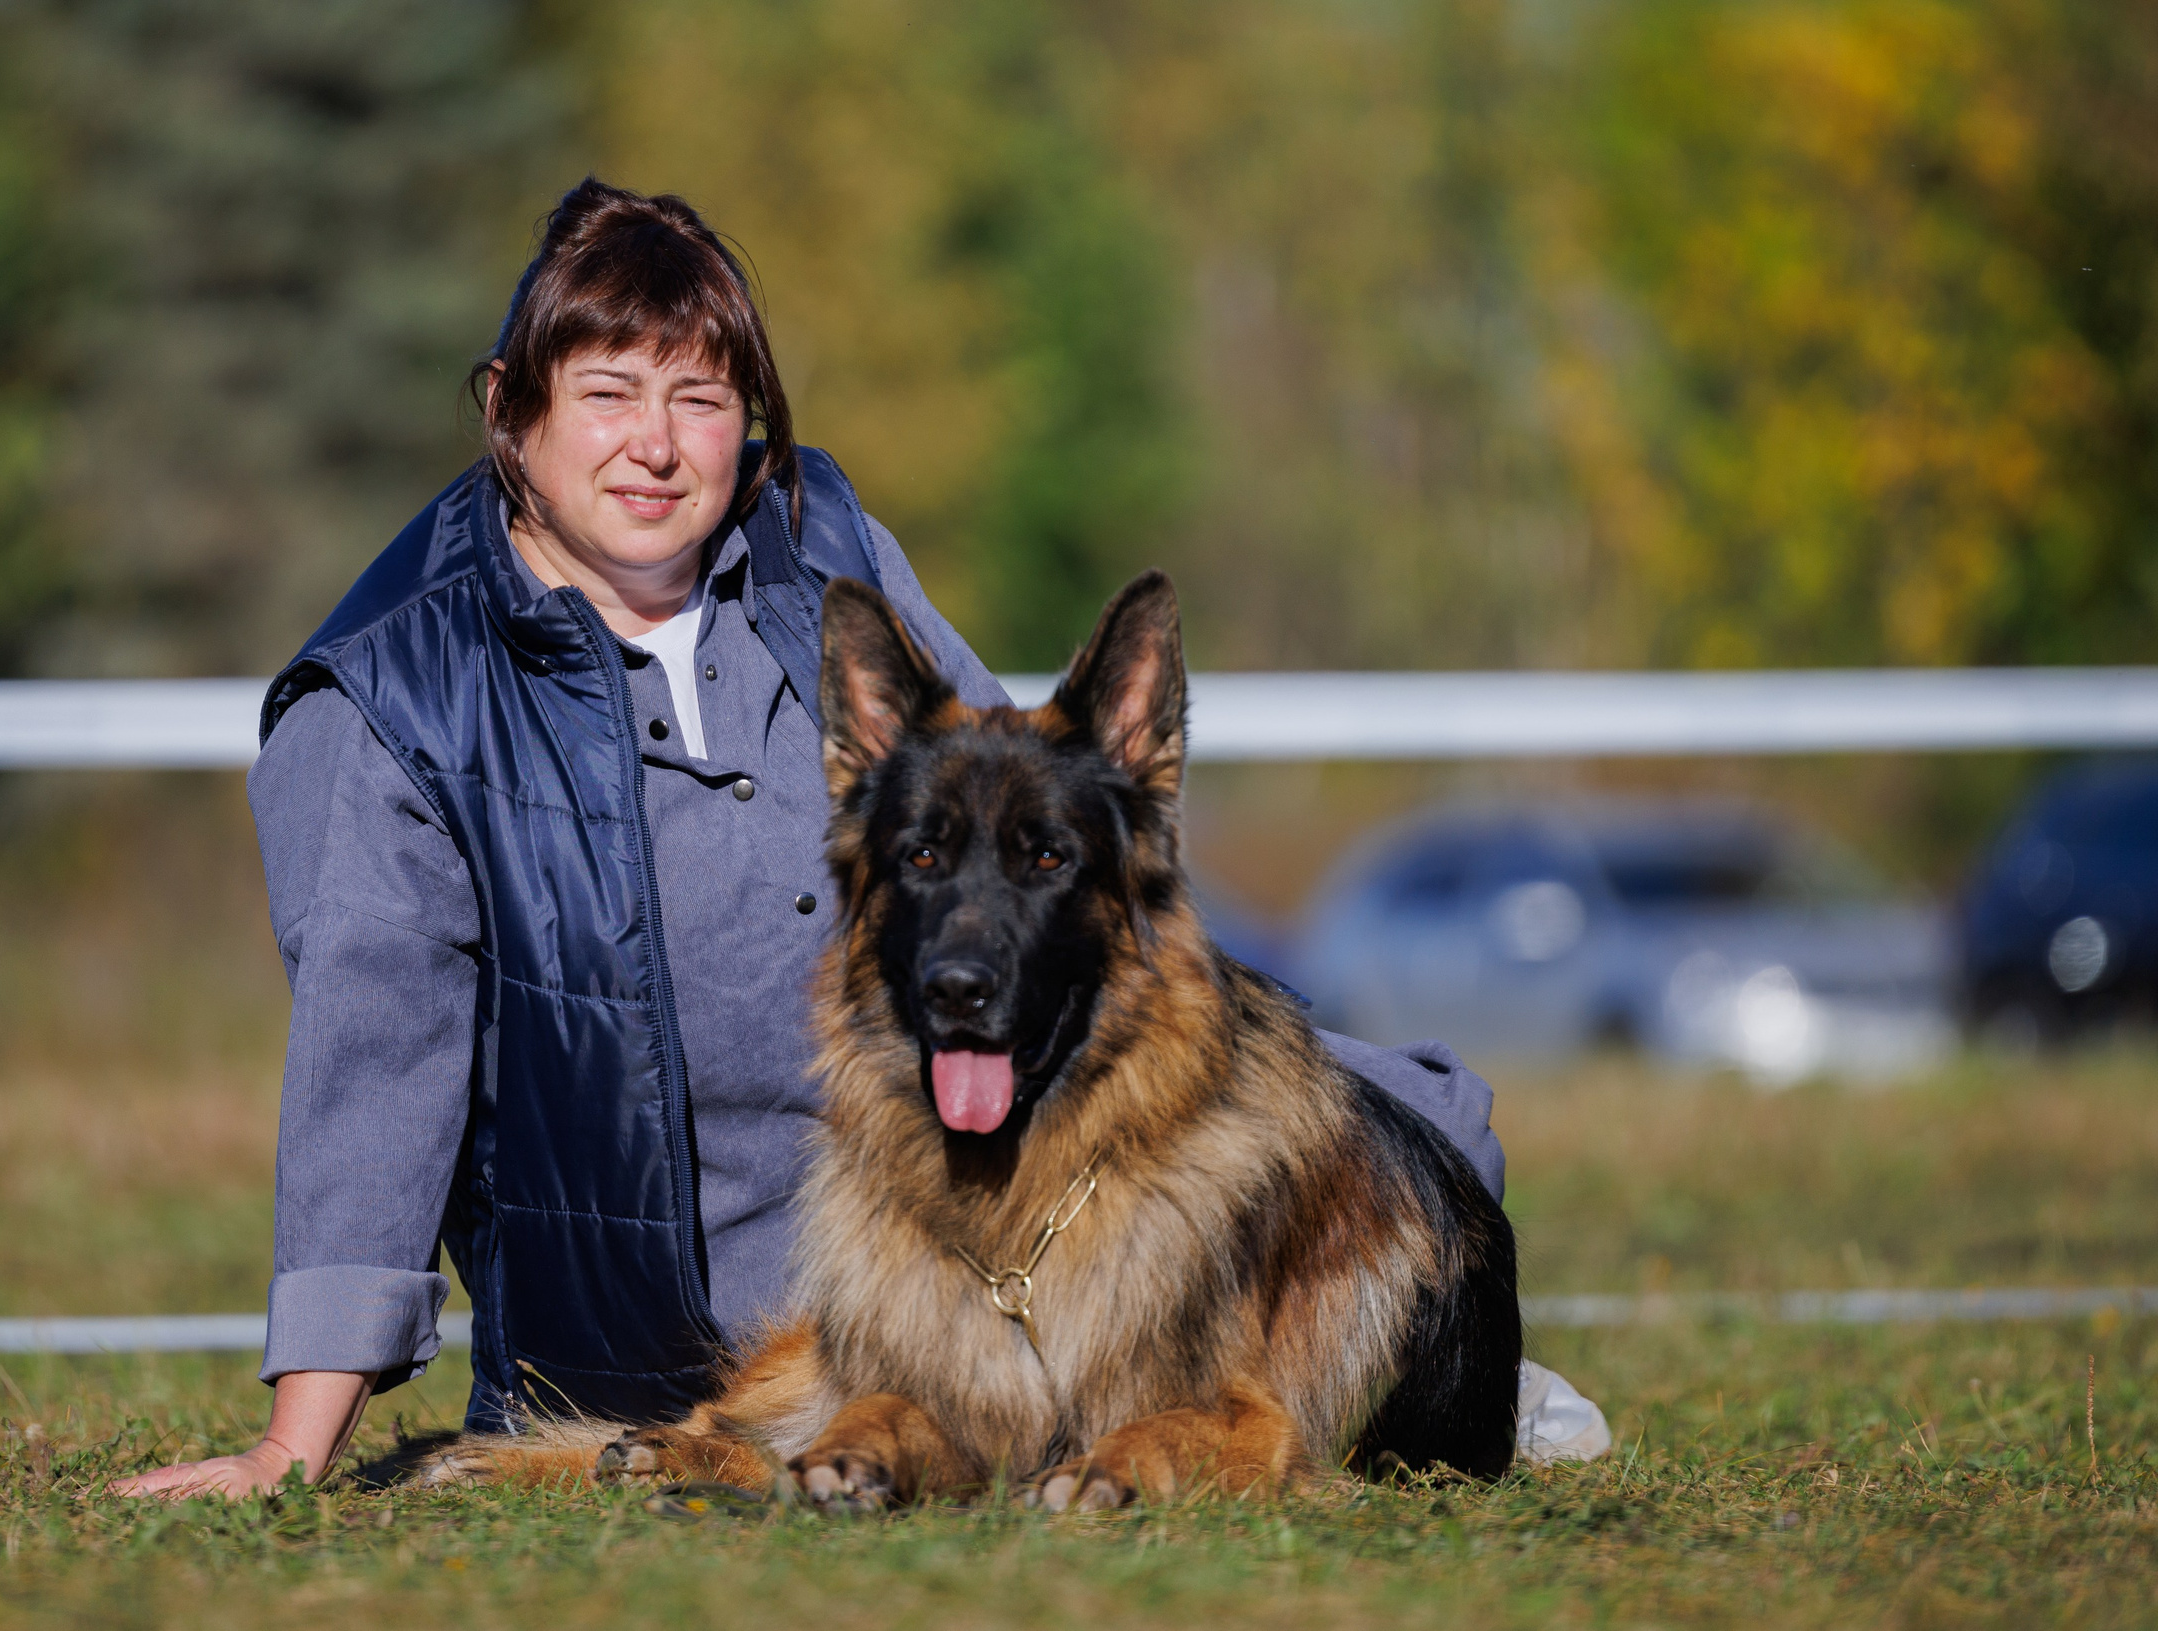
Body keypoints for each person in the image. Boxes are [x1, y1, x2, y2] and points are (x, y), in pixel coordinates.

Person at [115, 178, 1603, 1500]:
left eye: (700, 400)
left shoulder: (809, 539)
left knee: (1348, 1110)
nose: (656, 447)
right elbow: (372, 1074)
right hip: (715, 1276)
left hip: (964, 1154)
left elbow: (992, 779)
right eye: (608, 394)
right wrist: (294, 1446)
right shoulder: (387, 698)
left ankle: (1406, 1379)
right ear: (511, 411)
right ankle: (1255, 1405)